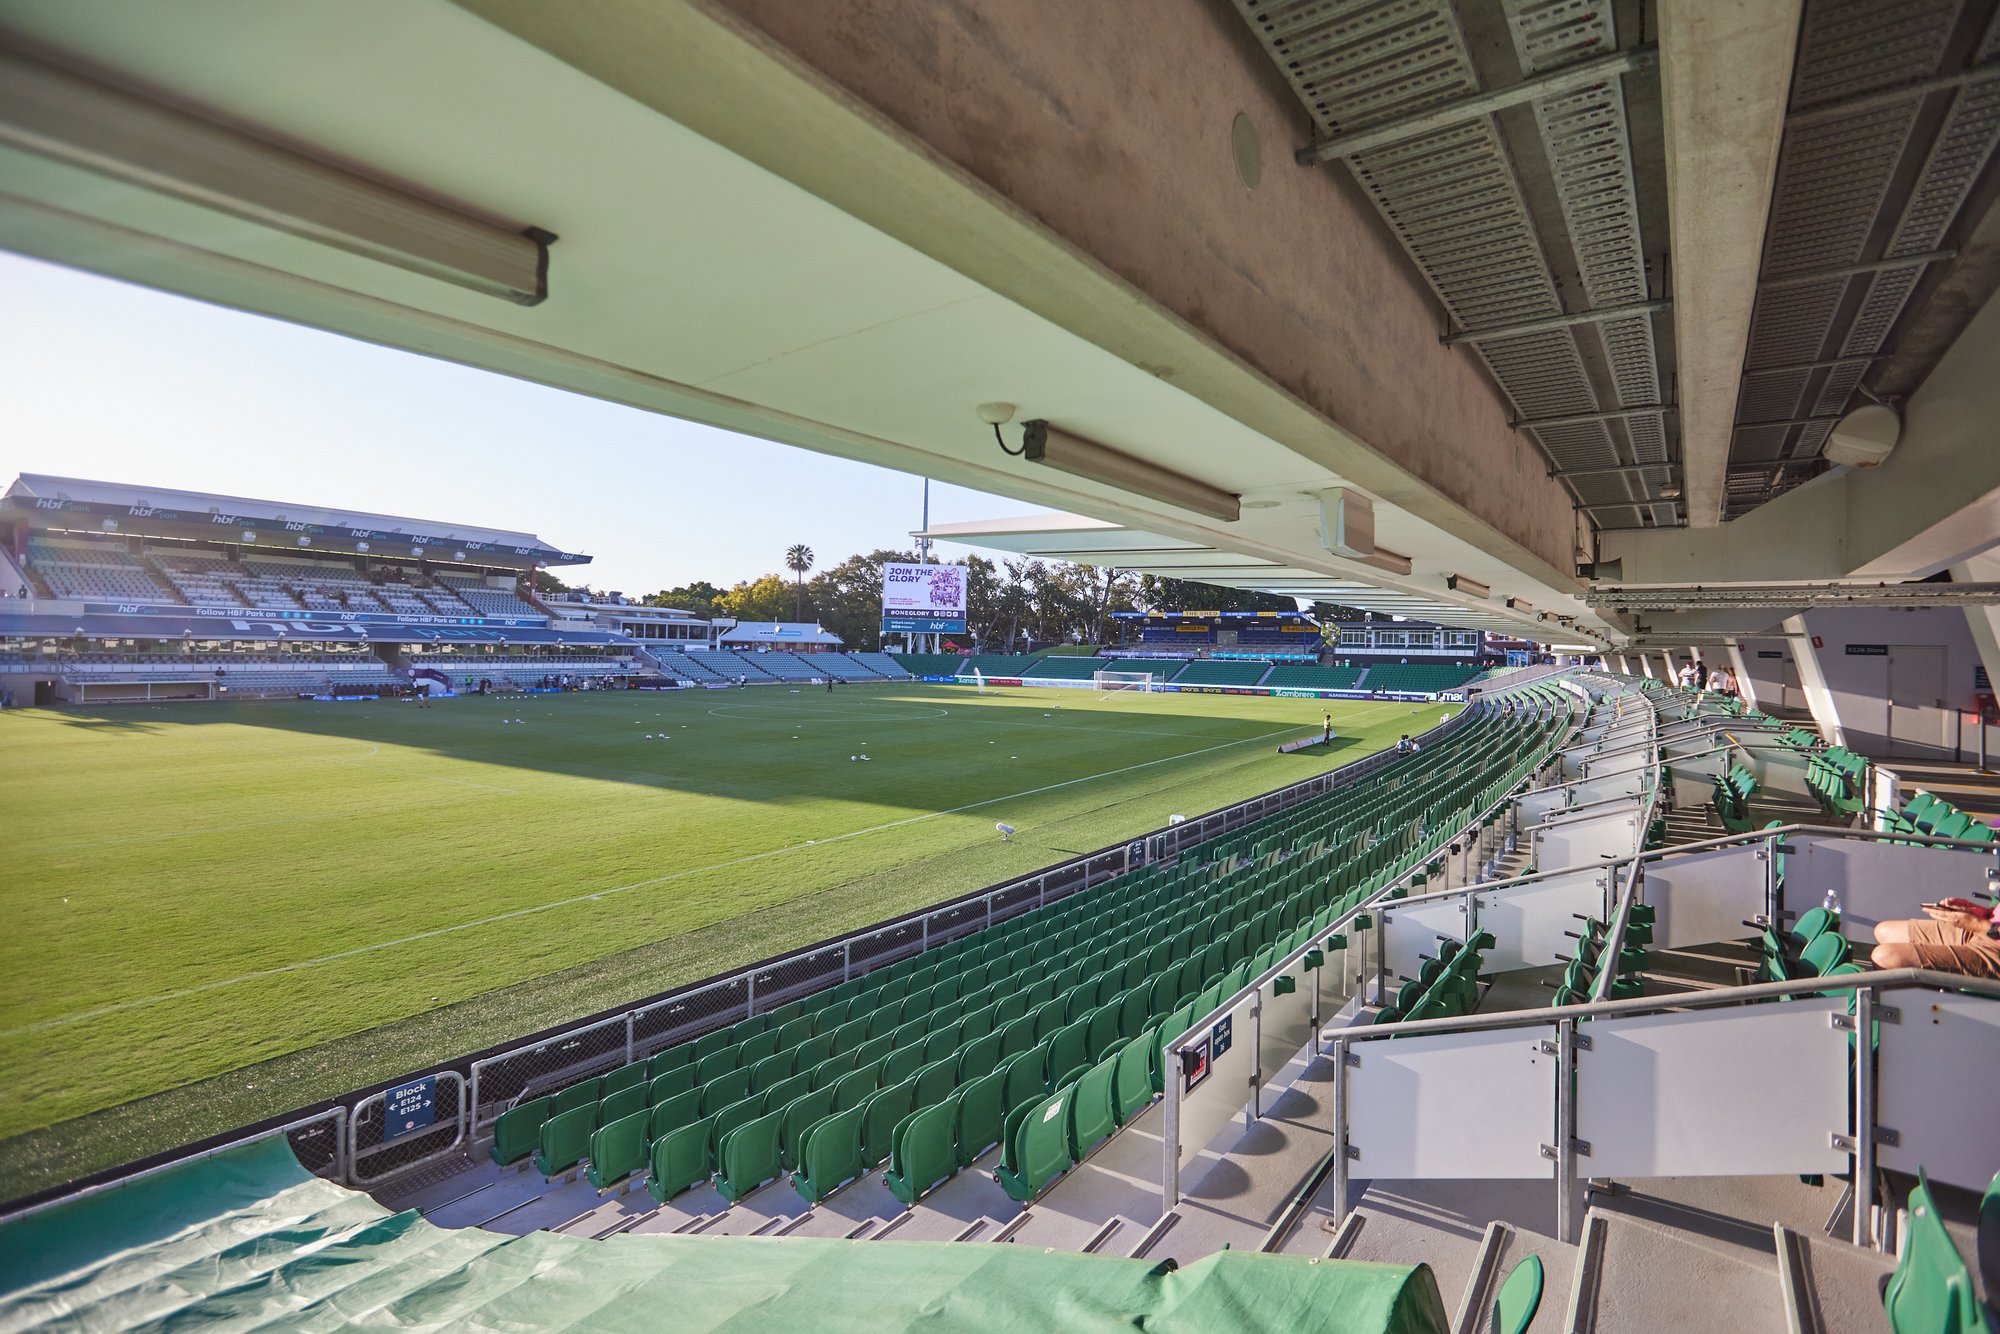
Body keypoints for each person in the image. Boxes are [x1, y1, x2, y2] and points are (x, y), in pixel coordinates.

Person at [1871, 899, 2000, 979]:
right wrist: (1985, 912)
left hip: (1994, 946)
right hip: (1988, 926)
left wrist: (1978, 924)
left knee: (1886, 958)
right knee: (1884, 931)